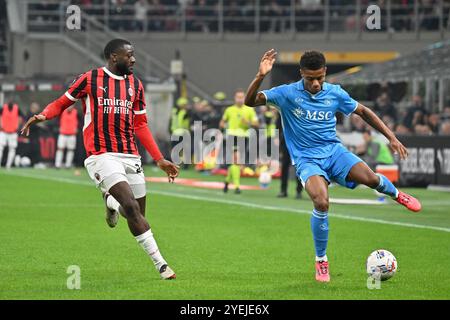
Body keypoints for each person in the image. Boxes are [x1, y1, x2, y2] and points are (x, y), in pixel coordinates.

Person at [244, 49, 422, 283]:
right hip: (307, 159)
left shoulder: (335, 93)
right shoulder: (287, 93)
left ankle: (397, 194)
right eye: (310, 79)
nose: (316, 83)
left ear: (325, 72)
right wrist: (260, 75)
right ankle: (321, 260)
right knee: (321, 201)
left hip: (334, 152)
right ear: (301, 74)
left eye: (320, 77)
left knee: (370, 178)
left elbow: (364, 112)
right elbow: (249, 102)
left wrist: (392, 137)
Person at [21, 38, 180, 280]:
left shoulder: (135, 85)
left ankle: (109, 203)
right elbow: (62, 103)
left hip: (130, 155)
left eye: (134, 55)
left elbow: (141, 125)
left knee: (136, 214)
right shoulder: (90, 79)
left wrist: (159, 159)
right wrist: (42, 115)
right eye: (130, 55)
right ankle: (161, 265)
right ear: (114, 57)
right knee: (131, 207)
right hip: (101, 154)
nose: (134, 59)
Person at [220, 89, 259, 194]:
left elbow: (256, 124)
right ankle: (237, 187)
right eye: (238, 97)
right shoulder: (229, 110)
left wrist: (248, 122)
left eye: (242, 97)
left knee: (236, 162)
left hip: (243, 137)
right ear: (235, 98)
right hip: (231, 136)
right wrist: (223, 126)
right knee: (236, 161)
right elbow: (222, 122)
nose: (240, 99)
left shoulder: (249, 110)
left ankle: (227, 182)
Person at [276, 113, 304, 199]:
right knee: (285, 166)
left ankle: (299, 191)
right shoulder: (283, 109)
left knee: (299, 167)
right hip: (286, 142)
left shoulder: (301, 110)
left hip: (299, 143)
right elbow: (278, 125)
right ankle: (283, 190)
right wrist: (278, 139)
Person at [0, 101, 25, 169]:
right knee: (0, 148)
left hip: (13, 132)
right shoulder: (3, 108)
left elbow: (23, 117)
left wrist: (19, 125)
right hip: (3, 131)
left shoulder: (17, 108)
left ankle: (8, 165)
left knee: (12, 149)